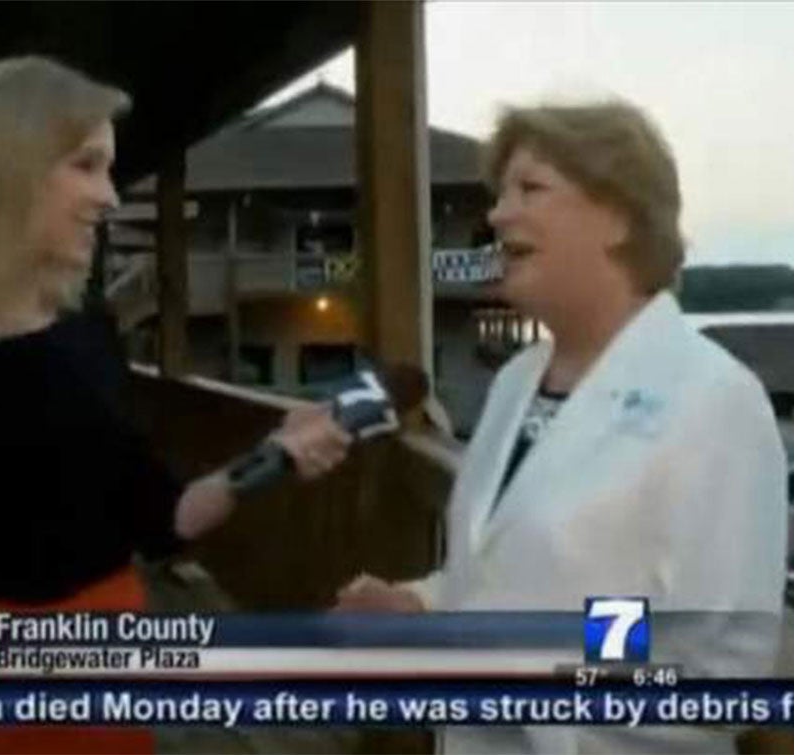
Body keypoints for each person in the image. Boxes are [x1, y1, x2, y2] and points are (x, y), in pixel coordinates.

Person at [0, 56, 352, 755]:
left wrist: (273, 456)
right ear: (12, 169)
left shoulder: (85, 336)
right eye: (86, 165)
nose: (109, 198)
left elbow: (159, 518)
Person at [335, 101, 787, 753]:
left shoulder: (715, 399)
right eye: (500, 192)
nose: (496, 214)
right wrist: (421, 604)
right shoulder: (516, 380)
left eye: (530, 188)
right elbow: (506, 573)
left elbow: (720, 648)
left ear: (616, 216)